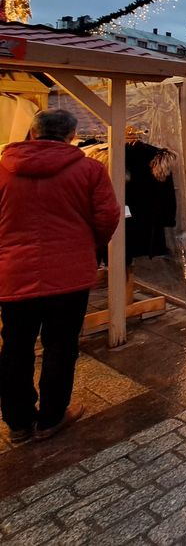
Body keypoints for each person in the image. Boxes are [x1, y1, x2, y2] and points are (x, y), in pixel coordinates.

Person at [0, 109, 120, 443]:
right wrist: (88, 245)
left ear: (32, 132)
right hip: (70, 273)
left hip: (14, 273)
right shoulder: (90, 169)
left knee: (15, 347)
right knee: (61, 345)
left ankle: (18, 423)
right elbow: (108, 216)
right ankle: (52, 419)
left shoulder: (3, 168)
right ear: (72, 135)